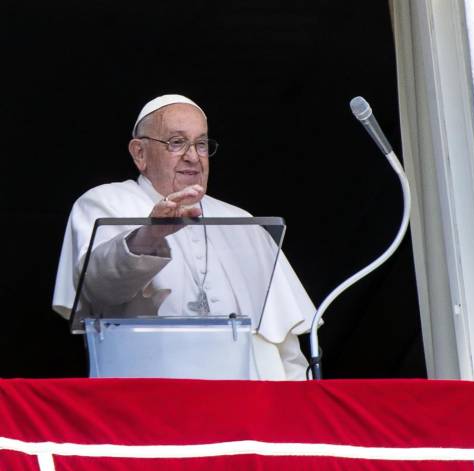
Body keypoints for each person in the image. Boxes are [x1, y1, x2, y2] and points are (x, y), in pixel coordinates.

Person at [52, 94, 315, 380]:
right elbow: (99, 287)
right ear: (139, 153)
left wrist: (299, 402)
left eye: (201, 144)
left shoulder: (244, 222)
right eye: (176, 142)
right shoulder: (105, 202)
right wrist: (149, 235)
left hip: (248, 403)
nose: (193, 156)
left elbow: (285, 344)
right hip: (152, 396)